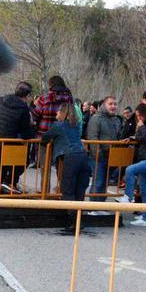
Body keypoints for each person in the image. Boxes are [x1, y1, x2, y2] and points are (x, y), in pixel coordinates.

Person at [41, 100, 91, 234]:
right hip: (83, 157)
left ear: (63, 113)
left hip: (70, 158)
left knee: (68, 190)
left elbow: (45, 138)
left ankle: (75, 223)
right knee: (79, 192)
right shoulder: (75, 126)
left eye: (58, 111)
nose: (56, 113)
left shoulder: (59, 125)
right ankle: (79, 221)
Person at [114, 102, 146, 226]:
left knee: (130, 169)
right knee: (145, 190)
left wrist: (141, 128)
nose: (139, 118)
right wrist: (132, 138)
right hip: (145, 158)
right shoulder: (143, 125)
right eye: (137, 116)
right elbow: (141, 139)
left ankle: (129, 197)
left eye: (141, 115)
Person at [0, 82, 35, 194]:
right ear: (27, 96)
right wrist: (32, 126)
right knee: (24, 160)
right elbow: (26, 134)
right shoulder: (23, 108)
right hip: (8, 144)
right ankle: (9, 181)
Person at [85, 95, 124, 196]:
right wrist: (98, 154)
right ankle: (92, 207)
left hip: (112, 156)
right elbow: (93, 137)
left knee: (105, 183)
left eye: (115, 104)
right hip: (99, 157)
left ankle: (101, 205)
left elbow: (119, 136)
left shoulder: (117, 120)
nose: (113, 106)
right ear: (104, 105)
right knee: (98, 182)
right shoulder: (96, 118)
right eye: (110, 104)